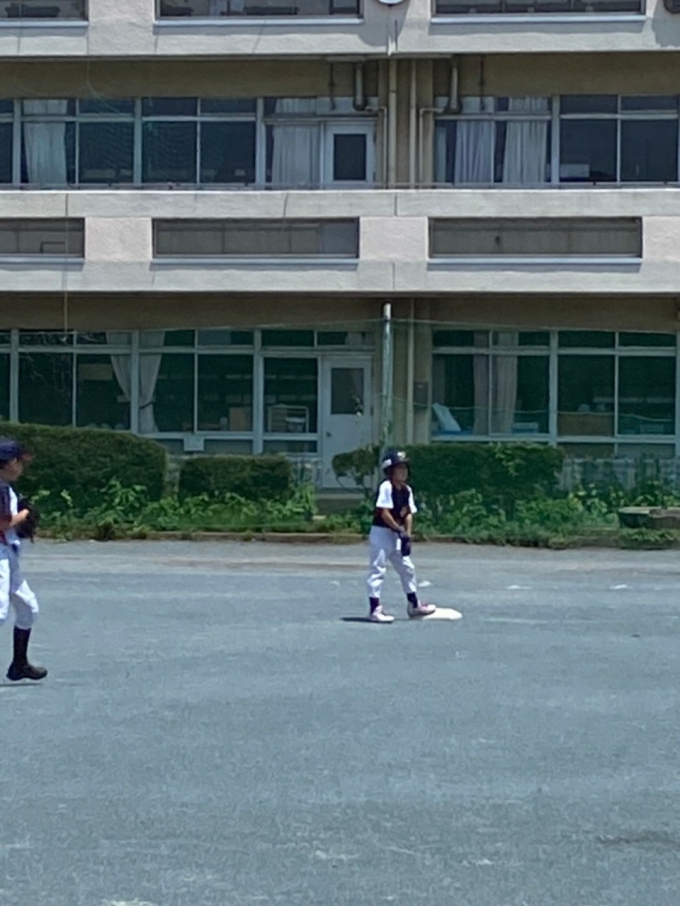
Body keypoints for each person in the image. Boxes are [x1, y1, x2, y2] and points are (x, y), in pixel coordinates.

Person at [366, 449, 436, 623]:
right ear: (390, 471)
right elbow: (384, 513)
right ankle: (374, 609)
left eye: (405, 468)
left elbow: (409, 513)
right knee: (378, 569)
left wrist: (407, 536)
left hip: (396, 533)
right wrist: (399, 530)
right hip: (381, 533)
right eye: (399, 468)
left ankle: (414, 604)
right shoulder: (386, 487)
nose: (404, 471)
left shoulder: (407, 490)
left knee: (407, 568)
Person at [0, 438, 47, 681]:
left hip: (8, 554)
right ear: (6, 463)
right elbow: (2, 524)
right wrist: (25, 514)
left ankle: (19, 664)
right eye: (18, 461)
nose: (21, 466)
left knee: (27, 607)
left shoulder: (5, 487)